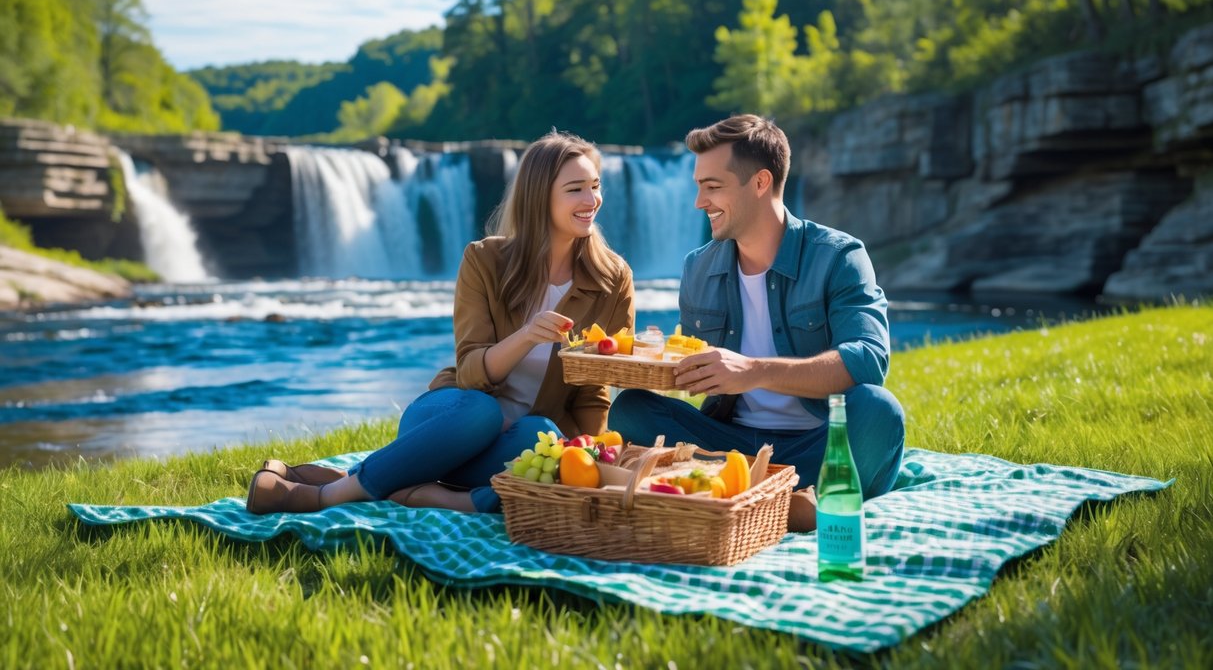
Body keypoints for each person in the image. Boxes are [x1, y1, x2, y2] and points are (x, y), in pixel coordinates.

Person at [246, 131, 635, 515]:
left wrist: (591, 453)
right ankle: (324, 497)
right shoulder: (484, 261)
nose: (592, 200)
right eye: (575, 189)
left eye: (595, 186)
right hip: (451, 420)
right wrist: (527, 336)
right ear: (540, 197)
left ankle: (418, 490)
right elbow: (469, 373)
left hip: (516, 440)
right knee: (481, 412)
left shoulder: (613, 278)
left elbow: (594, 391)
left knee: (543, 437)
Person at [608, 114, 904, 531]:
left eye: (712, 187)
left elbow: (868, 361)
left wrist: (754, 372)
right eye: (698, 187)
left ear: (761, 183)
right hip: (729, 449)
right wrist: (646, 357)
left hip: (821, 443)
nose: (699, 202)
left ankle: (748, 501)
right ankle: (790, 505)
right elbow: (690, 365)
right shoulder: (698, 267)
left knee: (878, 412)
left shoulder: (838, 257)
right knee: (632, 411)